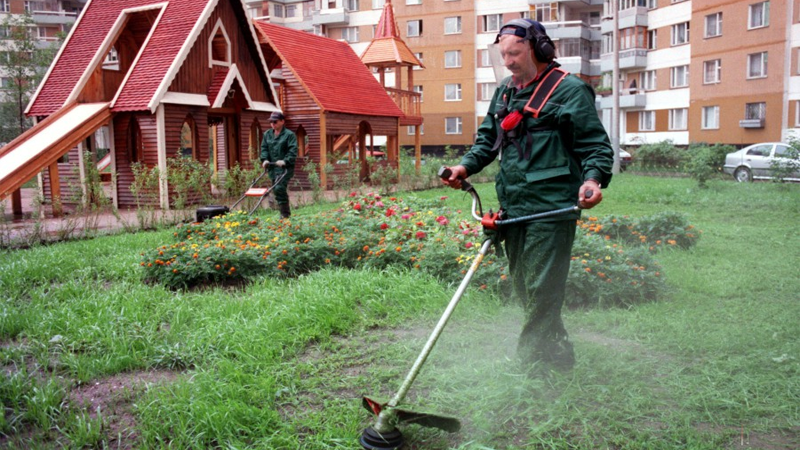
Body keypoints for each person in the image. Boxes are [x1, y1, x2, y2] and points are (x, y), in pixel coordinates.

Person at [442, 19, 613, 371]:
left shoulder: (569, 91)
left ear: (539, 49)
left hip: (551, 207)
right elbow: (488, 140)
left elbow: (595, 145)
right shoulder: (506, 91)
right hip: (515, 204)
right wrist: (464, 168)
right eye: (503, 54)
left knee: (541, 289)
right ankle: (558, 352)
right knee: (527, 287)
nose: (507, 61)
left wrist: (593, 180)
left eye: (514, 53)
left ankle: (529, 370)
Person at [260, 111, 298, 218]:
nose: (273, 124)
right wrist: (265, 160)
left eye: (275, 121)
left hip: (285, 168)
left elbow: (293, 150)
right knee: (276, 189)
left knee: (279, 188)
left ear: (282, 121)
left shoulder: (289, 135)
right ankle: (283, 212)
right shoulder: (267, 134)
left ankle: (285, 214)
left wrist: (285, 161)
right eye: (271, 122)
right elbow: (264, 148)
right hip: (272, 167)